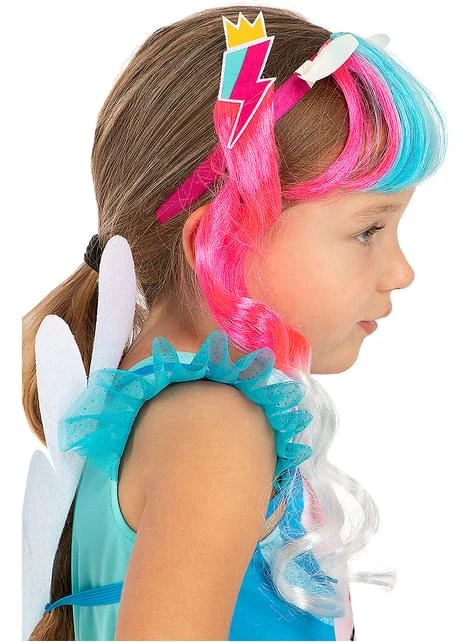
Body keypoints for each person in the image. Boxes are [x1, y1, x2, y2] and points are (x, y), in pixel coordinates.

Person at [21, 4, 448, 641]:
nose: (401, 271)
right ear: (220, 240)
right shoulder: (215, 429)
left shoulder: (171, 414)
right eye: (368, 230)